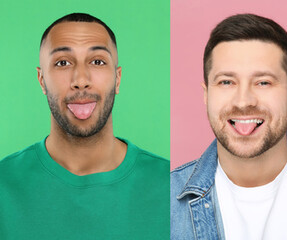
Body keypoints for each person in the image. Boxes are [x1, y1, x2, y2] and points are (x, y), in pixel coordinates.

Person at [170, 14, 287, 240]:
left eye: (263, 82)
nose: (243, 101)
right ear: (207, 95)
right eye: (226, 82)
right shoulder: (164, 199)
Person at [0, 13, 169, 239]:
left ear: (117, 79)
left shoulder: (172, 187)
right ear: (42, 80)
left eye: (97, 61)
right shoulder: (5, 184)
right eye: (63, 63)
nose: (81, 79)